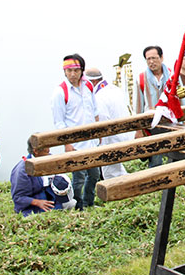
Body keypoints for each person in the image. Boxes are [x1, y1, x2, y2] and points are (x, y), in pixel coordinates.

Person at [51, 54, 99, 210]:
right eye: (69, 71)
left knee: (94, 175)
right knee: (78, 178)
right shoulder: (60, 92)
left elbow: (94, 111)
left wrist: (98, 133)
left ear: (82, 71)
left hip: (92, 141)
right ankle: (78, 206)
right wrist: (67, 143)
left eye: (76, 70)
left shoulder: (89, 87)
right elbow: (59, 122)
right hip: (76, 144)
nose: (72, 74)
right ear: (64, 72)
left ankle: (89, 202)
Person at [86, 67, 132, 180]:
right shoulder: (114, 88)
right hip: (127, 133)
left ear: (93, 82)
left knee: (110, 174)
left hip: (112, 140)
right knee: (116, 170)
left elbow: (103, 123)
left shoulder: (98, 97)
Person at [134, 46, 174, 167]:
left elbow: (181, 99)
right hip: (151, 125)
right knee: (155, 161)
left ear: (161, 57)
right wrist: (138, 129)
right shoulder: (141, 78)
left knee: (174, 158)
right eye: (148, 59)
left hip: (171, 122)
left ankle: (170, 186)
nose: (151, 62)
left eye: (154, 58)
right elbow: (138, 106)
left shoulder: (172, 75)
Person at [10, 142, 74, 215]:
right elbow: (18, 197)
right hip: (34, 206)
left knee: (72, 203)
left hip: (52, 198)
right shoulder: (22, 170)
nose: (49, 150)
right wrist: (37, 202)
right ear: (36, 151)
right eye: (46, 149)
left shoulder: (49, 159)